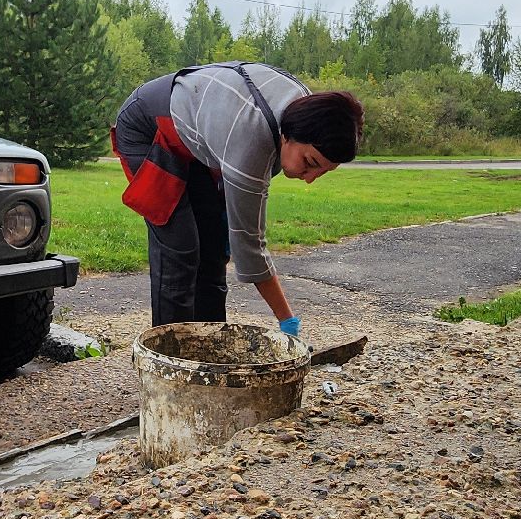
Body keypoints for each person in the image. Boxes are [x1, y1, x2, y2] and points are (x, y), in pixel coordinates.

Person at [111, 62, 363, 331]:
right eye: (310, 162)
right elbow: (250, 248)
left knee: (214, 249)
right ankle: (170, 356)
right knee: (180, 248)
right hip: (148, 126)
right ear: (288, 135)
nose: (311, 178)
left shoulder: (311, 112)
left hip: (199, 139)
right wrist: (286, 320)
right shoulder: (253, 139)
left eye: (324, 171)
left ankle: (212, 348)